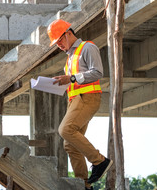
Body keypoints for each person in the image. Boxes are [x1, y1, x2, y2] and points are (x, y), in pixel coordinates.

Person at [47, 19, 113, 189]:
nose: (59, 45)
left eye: (60, 41)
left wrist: (71, 78)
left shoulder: (87, 47)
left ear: (68, 33)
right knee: (70, 144)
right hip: (75, 100)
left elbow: (97, 72)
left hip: (88, 97)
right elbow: (74, 81)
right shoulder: (69, 58)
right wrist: (63, 83)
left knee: (65, 130)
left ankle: (100, 162)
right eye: (56, 43)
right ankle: (84, 185)